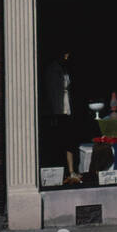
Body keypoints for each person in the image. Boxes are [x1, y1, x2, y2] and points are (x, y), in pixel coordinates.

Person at [43, 49, 81, 185]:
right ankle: (62, 173)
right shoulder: (52, 69)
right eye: (65, 53)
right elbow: (52, 92)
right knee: (61, 142)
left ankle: (71, 171)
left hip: (67, 108)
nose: (67, 56)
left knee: (69, 141)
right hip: (58, 111)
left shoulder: (66, 69)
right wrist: (54, 113)